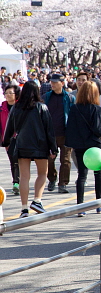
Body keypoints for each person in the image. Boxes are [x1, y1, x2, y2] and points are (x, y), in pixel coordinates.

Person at [2, 80, 57, 218]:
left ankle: (24, 209)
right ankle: (37, 201)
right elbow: (49, 130)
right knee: (42, 173)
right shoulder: (42, 107)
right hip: (40, 145)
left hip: (22, 145)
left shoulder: (16, 107)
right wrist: (53, 148)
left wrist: (6, 142)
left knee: (24, 177)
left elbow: (9, 127)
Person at [65, 81, 101, 216]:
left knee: (82, 175)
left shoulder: (74, 108)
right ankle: (99, 205)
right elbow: (97, 129)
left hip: (80, 145)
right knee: (97, 174)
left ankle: (80, 207)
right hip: (94, 144)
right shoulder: (96, 108)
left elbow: (70, 127)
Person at [43, 73, 75, 193]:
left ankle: (63, 184)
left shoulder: (70, 98)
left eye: (55, 83)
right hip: (50, 134)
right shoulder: (46, 97)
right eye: (52, 82)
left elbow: (73, 116)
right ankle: (52, 179)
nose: (53, 84)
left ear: (62, 83)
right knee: (49, 159)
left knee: (66, 160)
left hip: (65, 133)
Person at [1, 84, 20, 195]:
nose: (7, 95)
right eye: (6, 93)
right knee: (13, 161)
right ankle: (16, 182)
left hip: (20, 138)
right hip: (8, 139)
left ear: (16, 94)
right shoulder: (2, 108)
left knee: (20, 160)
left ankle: (19, 181)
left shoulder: (21, 107)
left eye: (10, 93)